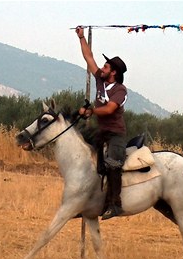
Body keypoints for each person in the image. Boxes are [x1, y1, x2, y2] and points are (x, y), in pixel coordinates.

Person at [75, 26, 128, 220]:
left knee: (113, 164)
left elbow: (109, 109)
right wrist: (81, 38)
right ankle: (89, 201)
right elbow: (89, 58)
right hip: (101, 131)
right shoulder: (100, 80)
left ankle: (115, 204)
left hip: (116, 134)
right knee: (88, 160)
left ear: (113, 73)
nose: (102, 68)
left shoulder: (120, 90)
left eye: (106, 67)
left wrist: (90, 111)